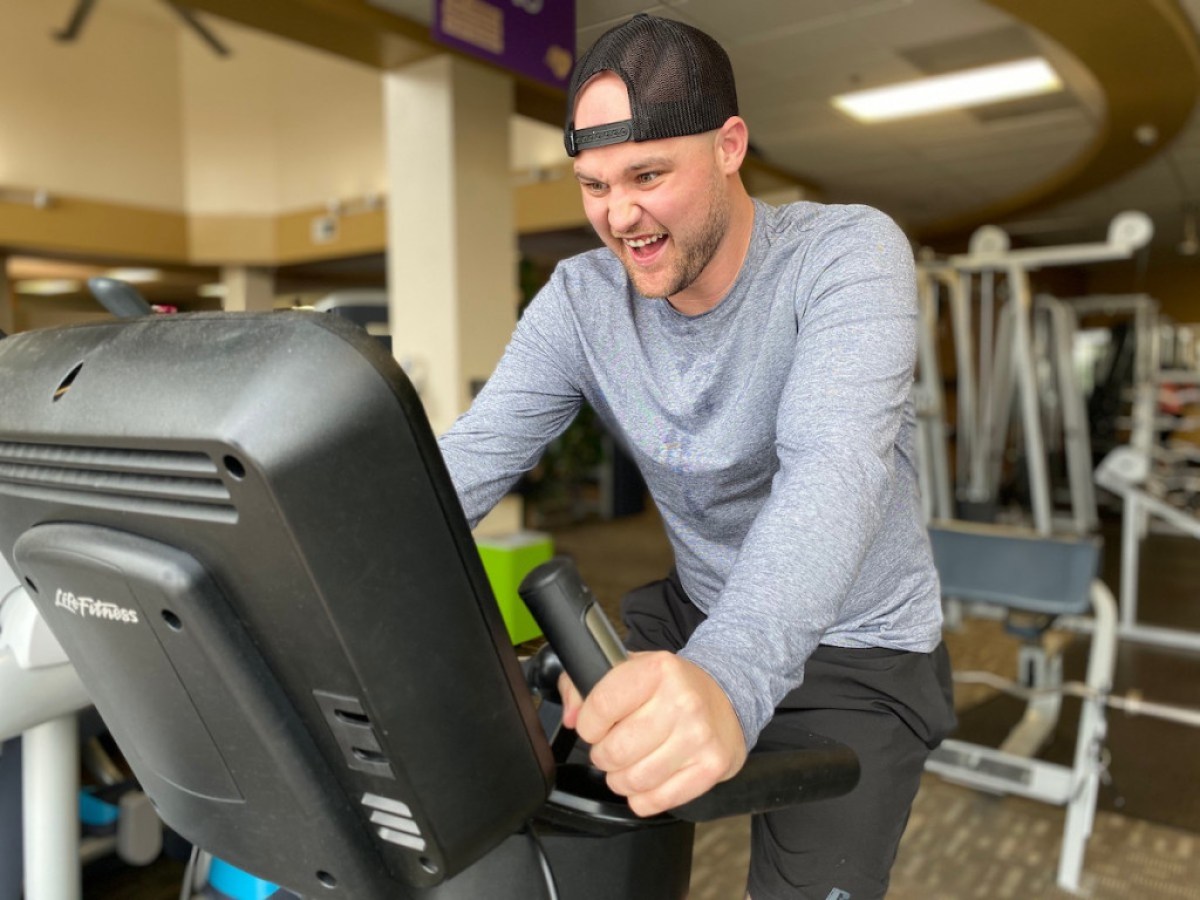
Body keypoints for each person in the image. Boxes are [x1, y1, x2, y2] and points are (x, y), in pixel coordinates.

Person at [437, 13, 955, 900]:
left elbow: (831, 472)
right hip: (697, 611)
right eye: (593, 184)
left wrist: (728, 676)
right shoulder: (581, 299)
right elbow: (468, 460)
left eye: (647, 174)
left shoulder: (844, 255)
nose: (618, 214)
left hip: (857, 648)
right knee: (577, 819)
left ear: (729, 145)